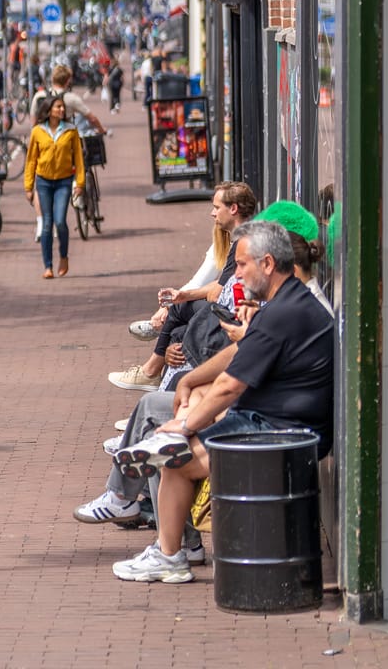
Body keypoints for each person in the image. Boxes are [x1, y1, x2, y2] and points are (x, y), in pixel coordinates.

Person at [76, 221, 334, 584]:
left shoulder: (282, 314)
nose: (237, 276)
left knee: (175, 459)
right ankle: (167, 537)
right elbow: (239, 355)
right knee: (183, 424)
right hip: (270, 420)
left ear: (269, 264)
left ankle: (170, 555)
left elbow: (230, 385)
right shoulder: (284, 304)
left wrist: (185, 424)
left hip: (281, 432)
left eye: (242, 265)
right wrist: (191, 381)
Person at [109, 181, 256, 391]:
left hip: (232, 318)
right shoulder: (241, 239)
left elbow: (218, 292)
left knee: (179, 318)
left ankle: (152, 374)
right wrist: (184, 295)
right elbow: (220, 286)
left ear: (233, 209)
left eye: (216, 207)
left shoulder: (242, 242)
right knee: (178, 328)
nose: (212, 214)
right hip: (231, 313)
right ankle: (158, 391)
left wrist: (183, 298)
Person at [29, 64, 107, 242]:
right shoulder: (70, 98)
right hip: (67, 145)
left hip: (44, 146)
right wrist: (101, 130)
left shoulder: (39, 96)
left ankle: (41, 223)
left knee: (41, 184)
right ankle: (77, 194)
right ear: (68, 81)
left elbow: (33, 122)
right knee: (75, 172)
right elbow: (91, 117)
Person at [24, 95, 85, 279]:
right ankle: (48, 266)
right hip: (43, 182)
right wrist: (28, 186)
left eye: (62, 107)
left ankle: (64, 257)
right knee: (47, 224)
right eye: (58, 107)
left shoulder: (71, 131)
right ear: (49, 110)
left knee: (60, 221)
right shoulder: (37, 131)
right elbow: (31, 160)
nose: (61, 110)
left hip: (63, 182)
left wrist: (80, 182)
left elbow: (79, 160)